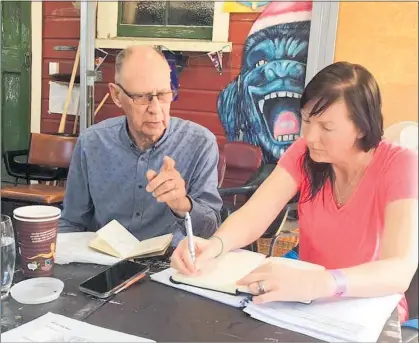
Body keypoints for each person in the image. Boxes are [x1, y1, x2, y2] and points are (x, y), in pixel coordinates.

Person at [171, 61, 418, 323]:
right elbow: (255, 214)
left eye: (327, 127)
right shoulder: (304, 153)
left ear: (361, 127)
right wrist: (216, 245)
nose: (310, 136)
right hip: (306, 300)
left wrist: (321, 282)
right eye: (307, 120)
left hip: (369, 307)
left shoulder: (400, 165)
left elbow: (398, 270)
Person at [59, 45, 223, 243]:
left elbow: (210, 230)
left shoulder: (200, 143)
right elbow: (71, 222)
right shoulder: (91, 143)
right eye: (142, 97)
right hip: (106, 261)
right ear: (117, 95)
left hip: (170, 265)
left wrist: (181, 204)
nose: (155, 109)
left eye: (163, 95)